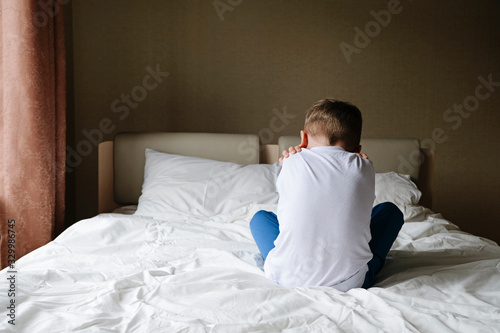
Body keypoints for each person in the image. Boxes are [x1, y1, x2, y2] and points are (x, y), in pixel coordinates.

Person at [250, 99, 404, 291]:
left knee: (260, 218)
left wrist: (294, 155)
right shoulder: (365, 167)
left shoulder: (290, 162)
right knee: (390, 212)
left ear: (303, 139)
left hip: (286, 277)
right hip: (350, 283)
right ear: (357, 150)